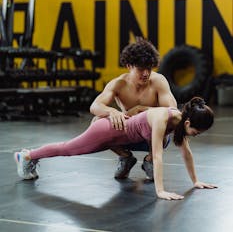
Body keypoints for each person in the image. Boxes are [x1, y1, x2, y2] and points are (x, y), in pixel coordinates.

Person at [14, 97, 217, 201]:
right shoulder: (163, 118)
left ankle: (126, 159)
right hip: (106, 131)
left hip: (123, 136)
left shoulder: (179, 122)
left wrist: (196, 181)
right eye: (197, 132)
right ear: (188, 122)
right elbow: (157, 154)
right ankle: (27, 156)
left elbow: (186, 152)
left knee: (163, 142)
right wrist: (161, 191)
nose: (196, 135)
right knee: (69, 149)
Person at [90, 37, 177, 180]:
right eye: (141, 69)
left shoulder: (158, 81)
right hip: (128, 133)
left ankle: (150, 160)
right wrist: (112, 111)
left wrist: (142, 109)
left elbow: (173, 111)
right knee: (96, 122)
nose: (146, 73)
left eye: (148, 68)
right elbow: (95, 106)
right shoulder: (118, 84)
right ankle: (125, 157)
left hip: (153, 137)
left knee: (164, 123)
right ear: (129, 66)